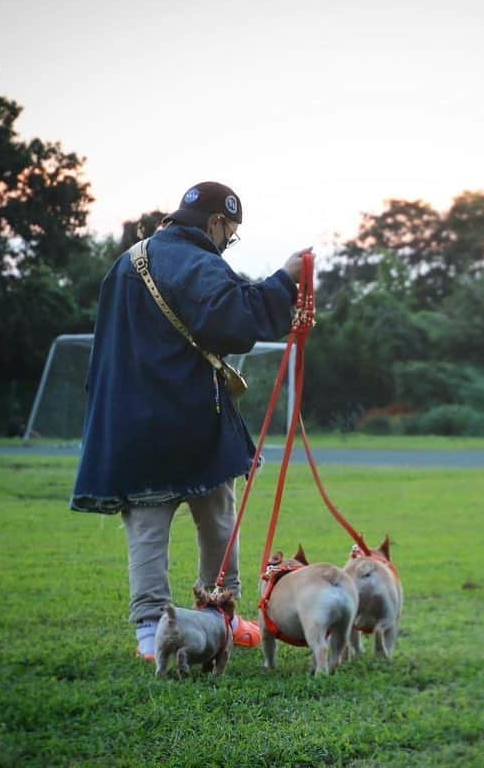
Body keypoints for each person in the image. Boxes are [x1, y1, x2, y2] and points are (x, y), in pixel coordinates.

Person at [70, 181, 311, 662]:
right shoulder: (196, 261)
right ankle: (219, 612)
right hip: (188, 417)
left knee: (146, 528)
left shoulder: (127, 262)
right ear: (218, 223)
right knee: (218, 518)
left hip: (127, 422)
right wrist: (285, 280)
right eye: (231, 234)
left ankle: (148, 633)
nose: (227, 243)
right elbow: (231, 319)